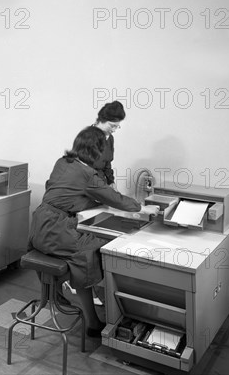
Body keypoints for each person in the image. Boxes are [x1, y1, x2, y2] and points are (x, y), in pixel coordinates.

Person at [28, 126, 158, 337]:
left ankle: (64, 295)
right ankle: (96, 318)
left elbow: (71, 191)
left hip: (40, 224)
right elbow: (113, 197)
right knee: (95, 250)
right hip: (55, 229)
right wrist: (143, 208)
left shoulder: (64, 162)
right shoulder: (87, 174)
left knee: (91, 248)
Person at [91, 100, 126, 187]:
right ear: (102, 120)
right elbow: (83, 171)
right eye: (112, 125)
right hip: (88, 187)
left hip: (102, 185)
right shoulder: (87, 138)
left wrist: (111, 182)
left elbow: (107, 164)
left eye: (117, 126)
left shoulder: (110, 138)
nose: (114, 130)